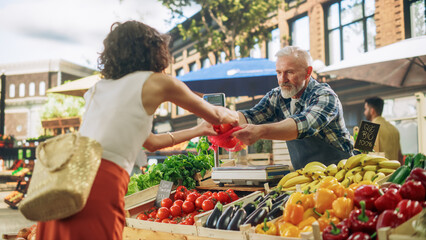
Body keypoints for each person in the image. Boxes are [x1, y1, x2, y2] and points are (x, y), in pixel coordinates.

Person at [36, 20, 238, 240]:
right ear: (153, 51)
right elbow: (217, 114)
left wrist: (200, 130)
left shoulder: (96, 89)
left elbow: (150, 142)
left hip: (65, 183)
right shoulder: (157, 82)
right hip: (99, 185)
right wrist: (237, 117)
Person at [232, 46, 353, 170]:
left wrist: (260, 131)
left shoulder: (325, 96)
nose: (282, 79)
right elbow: (251, 116)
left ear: (308, 72)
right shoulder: (277, 96)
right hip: (305, 176)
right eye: (278, 72)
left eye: (289, 72)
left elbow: (303, 125)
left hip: (340, 175)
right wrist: (222, 121)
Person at [364, 96, 403, 162]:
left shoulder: (369, 128)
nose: (364, 112)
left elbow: (363, 157)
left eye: (365, 109)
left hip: (378, 171)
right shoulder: (394, 129)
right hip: (395, 170)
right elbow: (400, 156)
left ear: (372, 111)